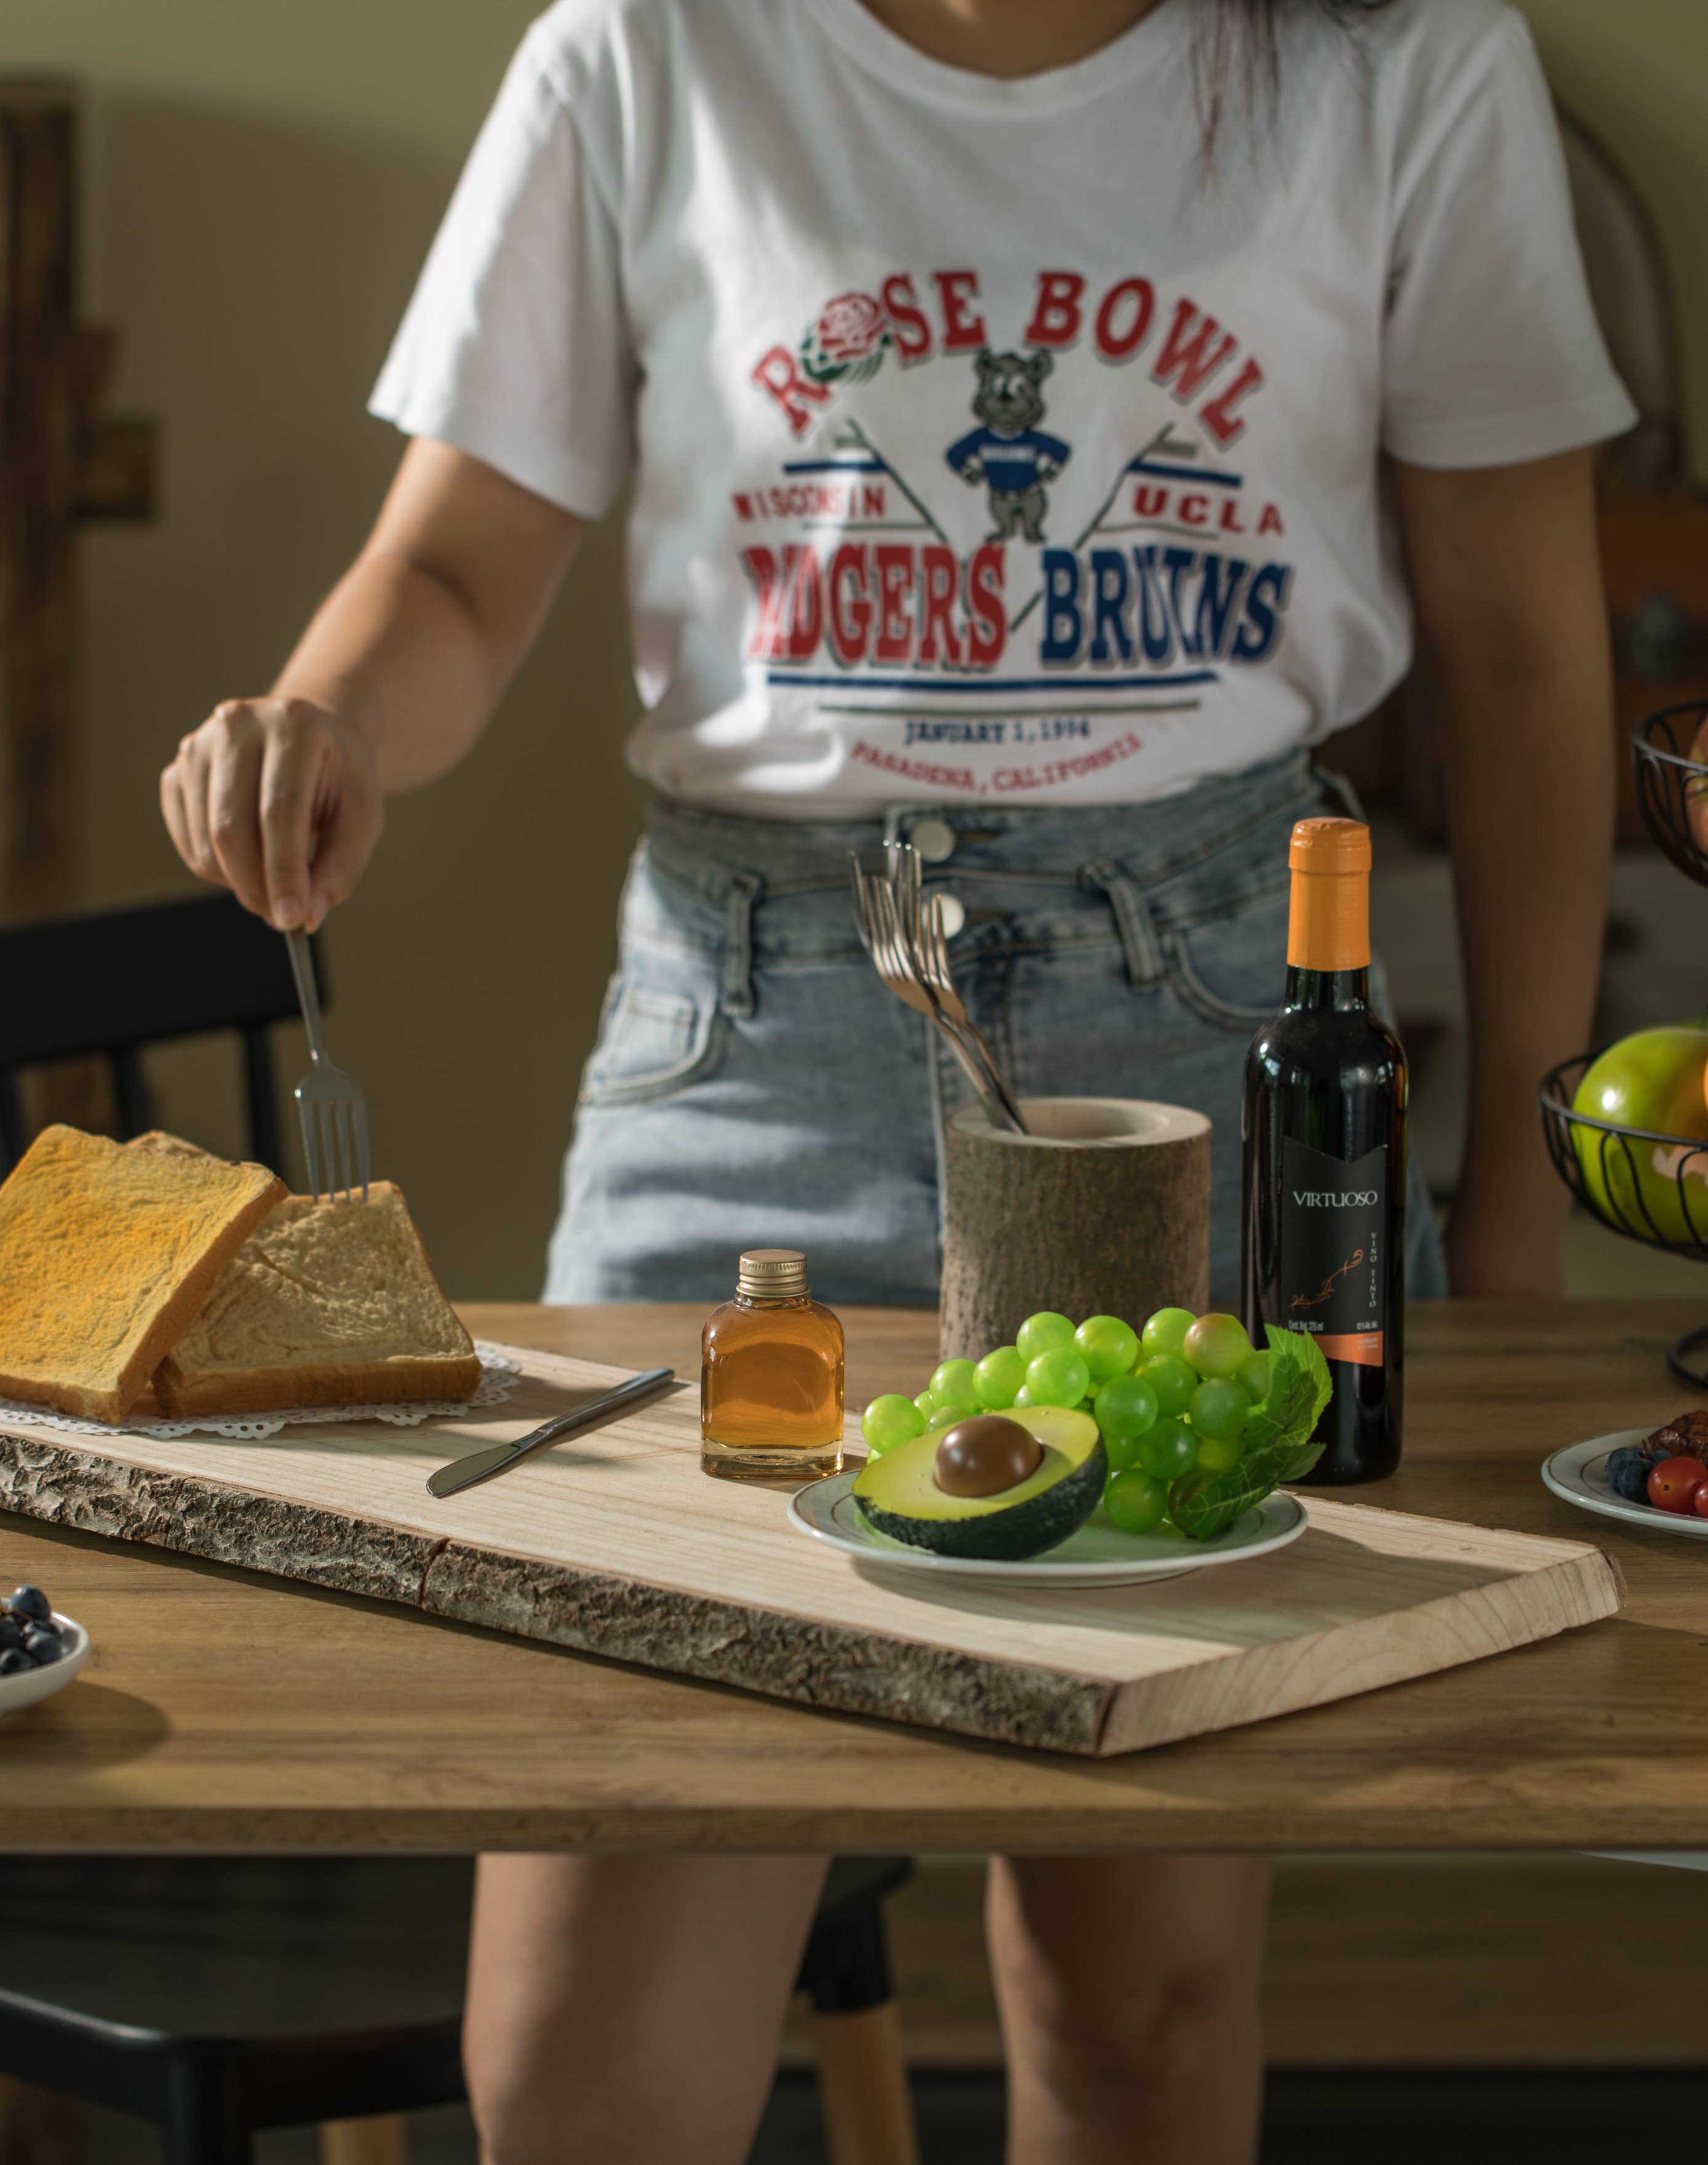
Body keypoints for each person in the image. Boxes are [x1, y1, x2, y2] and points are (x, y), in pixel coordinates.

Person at [160, 1, 1628, 2156]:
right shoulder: (642, 52)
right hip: (754, 1039)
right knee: (582, 2052)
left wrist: (1517, 1174)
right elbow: (459, 569)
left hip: (1214, 1043)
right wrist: (327, 720)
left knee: (1132, 1991)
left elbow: (1517, 648)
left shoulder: (1402, 56)